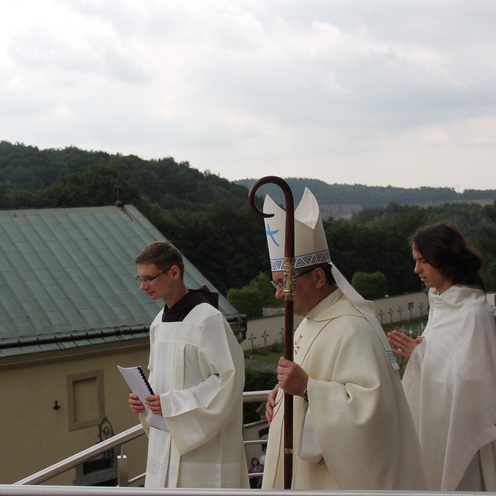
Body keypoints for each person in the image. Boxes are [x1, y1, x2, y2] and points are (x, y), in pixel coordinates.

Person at [260, 188, 429, 490]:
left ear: (318, 278)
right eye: (275, 284)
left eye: (285, 283)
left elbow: (371, 410)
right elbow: (310, 378)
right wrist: (282, 392)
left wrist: (306, 388)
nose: (278, 295)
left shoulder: (352, 327)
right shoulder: (308, 322)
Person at [128, 241, 249, 488]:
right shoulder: (158, 323)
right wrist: (144, 399)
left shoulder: (208, 320)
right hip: (165, 440)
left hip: (203, 448)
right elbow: (158, 376)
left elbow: (228, 380)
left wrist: (172, 403)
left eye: (149, 278)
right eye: (139, 279)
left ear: (174, 272)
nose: (142, 286)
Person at [387, 222, 496, 491]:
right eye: (416, 261)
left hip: (462, 434)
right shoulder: (440, 302)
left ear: (444, 259)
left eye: (423, 260)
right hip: (436, 422)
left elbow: (475, 382)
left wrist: (422, 354)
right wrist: (421, 353)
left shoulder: (473, 312)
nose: (417, 269)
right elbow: (445, 357)